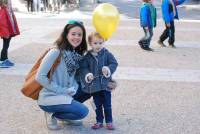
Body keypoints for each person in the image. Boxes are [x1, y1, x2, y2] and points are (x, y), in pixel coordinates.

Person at [35, 20, 89, 130]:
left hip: (66, 93)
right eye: (73, 34)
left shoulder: (76, 54)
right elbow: (39, 77)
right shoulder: (55, 52)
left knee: (93, 87)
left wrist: (106, 81)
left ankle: (66, 114)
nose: (76, 37)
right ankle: (51, 113)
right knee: (83, 111)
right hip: (50, 96)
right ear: (66, 35)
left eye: (80, 35)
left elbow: (76, 76)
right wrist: (63, 90)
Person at [78, 32, 118, 130]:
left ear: (103, 42)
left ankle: (109, 121)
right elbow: (83, 68)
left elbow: (114, 63)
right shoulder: (87, 56)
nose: (98, 45)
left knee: (107, 105)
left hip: (105, 85)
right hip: (94, 86)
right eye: (95, 43)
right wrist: (88, 74)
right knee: (97, 105)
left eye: (100, 43)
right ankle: (99, 121)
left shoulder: (107, 54)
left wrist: (108, 69)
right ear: (90, 44)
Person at [0, 0, 20, 68]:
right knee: (5, 46)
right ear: (4, 3)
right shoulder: (3, 10)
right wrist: (5, 32)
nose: (10, 4)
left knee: (7, 45)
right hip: (6, 31)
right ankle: (2, 61)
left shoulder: (8, 10)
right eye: (9, 3)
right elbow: (2, 23)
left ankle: (6, 59)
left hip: (9, 30)